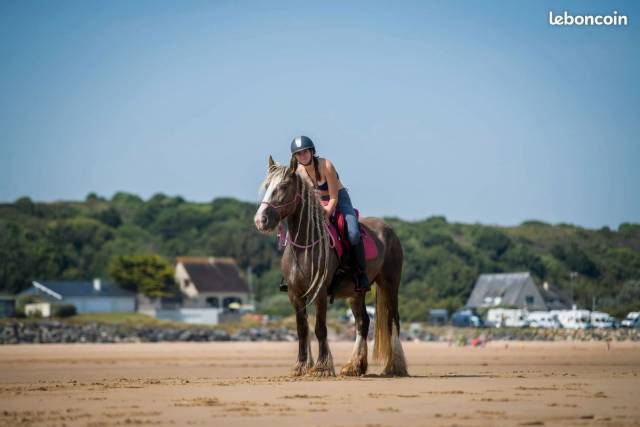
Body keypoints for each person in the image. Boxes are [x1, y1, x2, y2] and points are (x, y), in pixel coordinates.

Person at [289, 135, 371, 292]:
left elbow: (334, 196)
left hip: (339, 199)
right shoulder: (298, 173)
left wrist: (326, 214)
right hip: (317, 202)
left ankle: (361, 274)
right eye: (299, 154)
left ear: (312, 151)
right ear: (295, 157)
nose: (303, 156)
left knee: (353, 233)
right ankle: (292, 275)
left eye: (305, 152)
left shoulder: (326, 165)